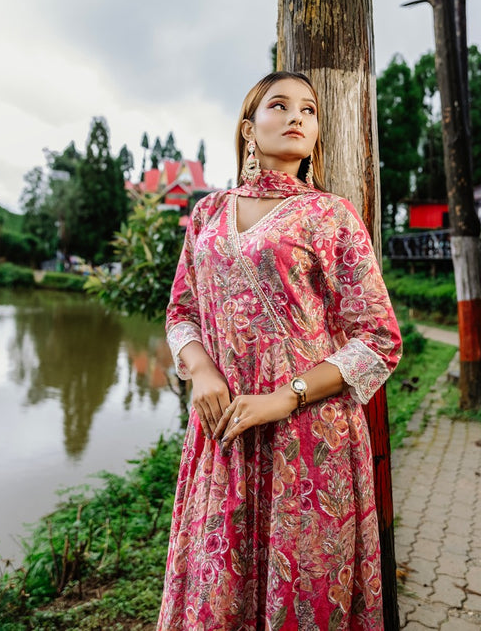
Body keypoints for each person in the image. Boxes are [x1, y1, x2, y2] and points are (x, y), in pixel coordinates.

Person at [157, 71, 402, 631]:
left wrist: (285, 397)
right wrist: (202, 371)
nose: (297, 117)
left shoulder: (332, 215)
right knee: (219, 594)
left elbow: (379, 340)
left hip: (309, 438)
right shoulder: (207, 213)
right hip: (225, 430)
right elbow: (181, 311)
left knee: (300, 599)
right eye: (280, 105)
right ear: (249, 129)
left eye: (309, 110)